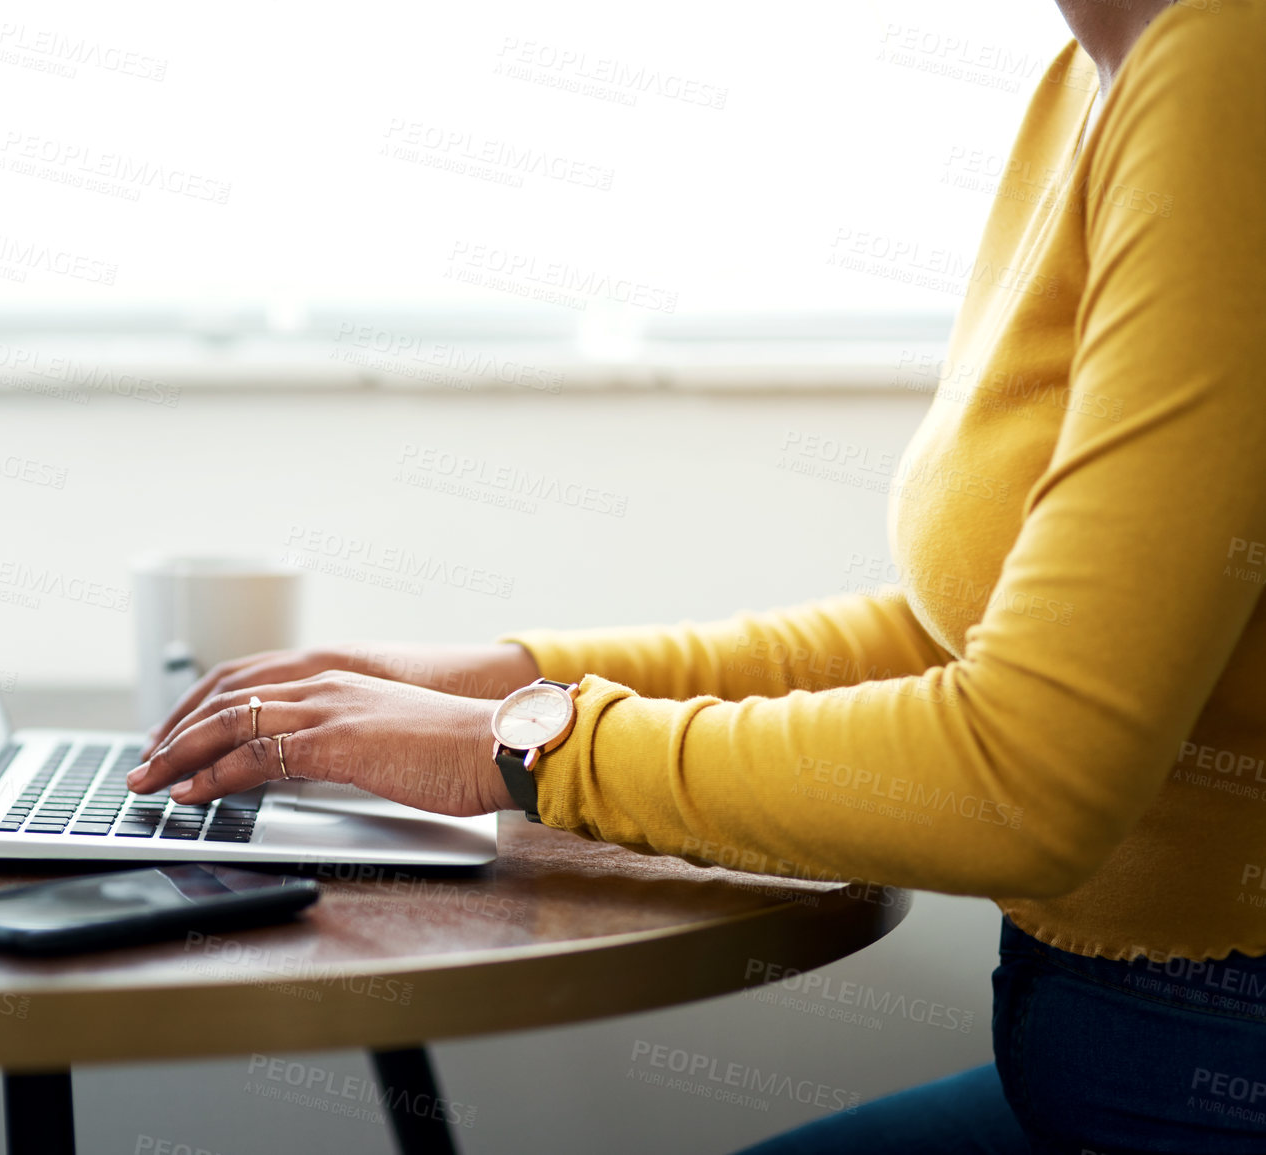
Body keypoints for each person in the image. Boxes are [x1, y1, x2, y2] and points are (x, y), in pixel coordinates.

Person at [131, 0, 1266, 1149]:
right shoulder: (1094, 72)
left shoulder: (1230, 62)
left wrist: (516, 747)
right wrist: (509, 676)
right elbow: (981, 640)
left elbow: (1021, 779)